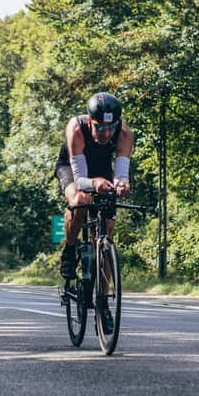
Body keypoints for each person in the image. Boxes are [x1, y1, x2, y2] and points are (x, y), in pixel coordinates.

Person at [53, 92, 134, 334]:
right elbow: (79, 179)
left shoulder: (125, 133)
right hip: (72, 168)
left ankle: (103, 302)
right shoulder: (76, 128)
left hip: (102, 170)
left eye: (110, 128)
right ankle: (70, 249)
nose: (105, 134)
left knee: (107, 227)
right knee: (80, 200)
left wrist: (122, 184)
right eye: (100, 128)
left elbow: (121, 172)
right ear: (90, 122)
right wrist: (94, 183)